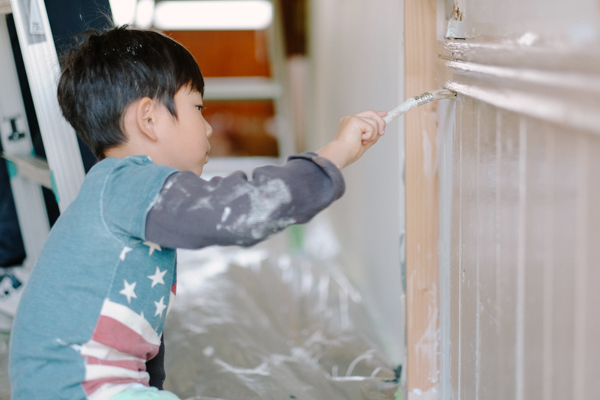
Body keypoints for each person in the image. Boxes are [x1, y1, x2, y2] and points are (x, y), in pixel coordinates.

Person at [8, 26, 386, 400]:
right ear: (149, 119)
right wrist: (336, 153)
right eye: (198, 107)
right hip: (81, 389)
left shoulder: (115, 189)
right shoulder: (130, 185)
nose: (206, 127)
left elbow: (145, 350)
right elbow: (241, 210)